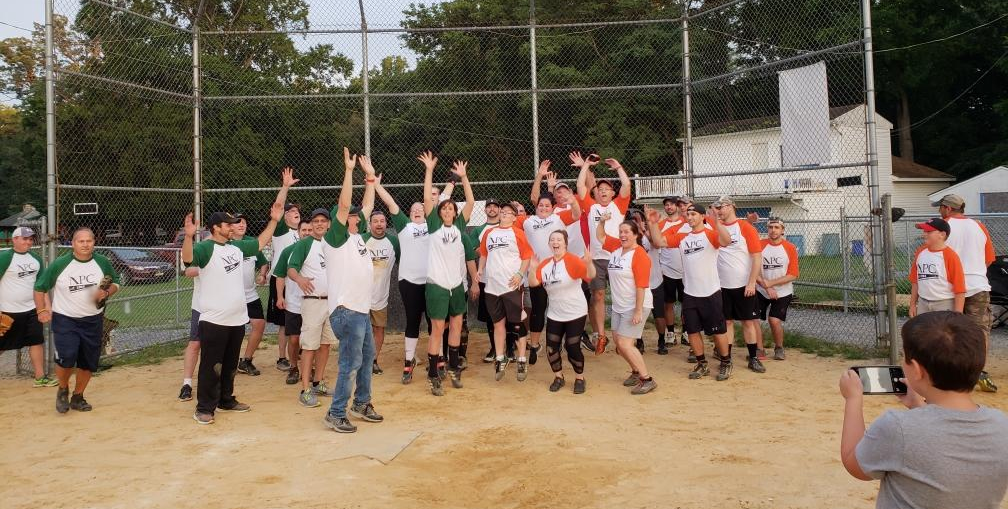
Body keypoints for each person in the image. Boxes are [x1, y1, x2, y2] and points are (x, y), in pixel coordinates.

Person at [838, 311, 1008, 509]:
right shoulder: (1001, 425)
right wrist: (918, 405)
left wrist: (853, 399)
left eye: (905, 357)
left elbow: (855, 463)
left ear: (917, 371)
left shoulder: (899, 428)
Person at [182, 200, 283, 425]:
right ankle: (204, 407)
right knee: (211, 366)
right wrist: (188, 237)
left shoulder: (236, 248)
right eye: (227, 225)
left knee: (229, 364)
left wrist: (274, 220)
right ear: (216, 227)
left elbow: (259, 243)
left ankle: (226, 399)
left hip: (237, 318)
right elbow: (187, 259)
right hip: (214, 319)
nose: (232, 227)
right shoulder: (206, 248)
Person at [322, 148, 384, 433]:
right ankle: (336, 412)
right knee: (351, 361)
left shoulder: (358, 237)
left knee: (366, 358)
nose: (358, 216)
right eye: (351, 215)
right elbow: (345, 205)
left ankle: (361, 402)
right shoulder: (336, 238)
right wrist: (349, 171)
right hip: (346, 310)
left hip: (361, 309)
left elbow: (365, 207)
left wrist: (370, 179)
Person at [34, 227, 120, 413]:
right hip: (66, 319)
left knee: (88, 362)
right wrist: (41, 309)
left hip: (93, 320)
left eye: (89, 241)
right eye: (81, 241)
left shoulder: (102, 262)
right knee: (66, 357)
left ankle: (78, 396)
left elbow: (116, 282)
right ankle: (63, 389)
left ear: (94, 243)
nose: (85, 244)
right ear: (73, 243)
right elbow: (40, 287)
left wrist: (106, 291)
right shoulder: (61, 264)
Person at [647, 203, 734, 381]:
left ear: (702, 216)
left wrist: (716, 222)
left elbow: (726, 241)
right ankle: (702, 364)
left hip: (710, 292)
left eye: (694, 214)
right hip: (691, 293)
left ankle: (726, 361)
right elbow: (659, 242)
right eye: (688, 214)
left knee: (718, 331)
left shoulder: (710, 234)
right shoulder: (682, 237)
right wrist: (653, 223)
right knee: (693, 331)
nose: (690, 217)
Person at [420, 150, 476, 396]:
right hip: (437, 285)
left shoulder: (460, 228)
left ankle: (453, 368)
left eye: (451, 209)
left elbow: (471, 203)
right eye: (444, 208)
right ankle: (434, 373)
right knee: (437, 328)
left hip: (456, 285)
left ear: (455, 212)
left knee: (456, 326)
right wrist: (429, 170)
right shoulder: (433, 226)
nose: (447, 211)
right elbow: (427, 199)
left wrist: (463, 177)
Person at [932, 193, 998, 392]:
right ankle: (977, 371)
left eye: (941, 207)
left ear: (948, 209)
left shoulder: (943, 228)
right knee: (979, 331)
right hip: (978, 285)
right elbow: (988, 259)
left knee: (948, 330)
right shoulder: (979, 226)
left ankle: (947, 372)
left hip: (951, 288)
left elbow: (937, 257)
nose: (940, 211)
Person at [523, 161, 582, 364]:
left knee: (561, 305)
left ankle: (567, 342)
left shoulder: (559, 218)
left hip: (559, 270)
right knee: (539, 309)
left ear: (552, 207)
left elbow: (577, 214)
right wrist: (539, 175)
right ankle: (534, 345)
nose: (544, 207)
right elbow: (532, 198)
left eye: (547, 205)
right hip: (539, 271)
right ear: (537, 207)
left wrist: (572, 200)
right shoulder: (528, 220)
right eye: (541, 205)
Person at [373, 180, 430, 384]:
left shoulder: (433, 225)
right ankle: (408, 361)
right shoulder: (404, 226)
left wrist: (452, 182)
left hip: (432, 282)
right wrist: (376, 184)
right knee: (413, 321)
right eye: (413, 209)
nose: (417, 211)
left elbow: (437, 202)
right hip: (410, 282)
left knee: (435, 322)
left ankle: (437, 358)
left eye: (420, 209)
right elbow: (390, 203)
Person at [575, 151, 632, 353]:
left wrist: (618, 168)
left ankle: (626, 334)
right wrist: (586, 166)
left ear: (612, 193)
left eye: (607, 189)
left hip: (618, 256)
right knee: (597, 295)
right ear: (596, 193)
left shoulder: (619, 205)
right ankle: (601, 335)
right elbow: (581, 186)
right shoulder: (590, 206)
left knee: (622, 295)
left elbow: (626, 185)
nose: (603, 192)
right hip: (597, 258)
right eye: (600, 189)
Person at [528, 231, 596, 394]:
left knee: (571, 346)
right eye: (552, 240)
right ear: (549, 244)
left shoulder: (572, 260)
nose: (555, 242)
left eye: (559, 239)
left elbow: (590, 275)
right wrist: (533, 269)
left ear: (565, 243)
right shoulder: (545, 264)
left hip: (575, 312)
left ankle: (580, 378)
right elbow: (534, 283)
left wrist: (589, 263)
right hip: (555, 313)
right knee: (552, 348)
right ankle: (559, 377)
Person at [595, 213, 656, 394]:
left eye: (627, 232)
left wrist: (638, 311)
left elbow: (641, 286)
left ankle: (647, 379)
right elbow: (600, 237)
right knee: (618, 342)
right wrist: (602, 222)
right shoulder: (617, 248)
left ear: (636, 234)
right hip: (619, 305)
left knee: (625, 343)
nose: (623, 235)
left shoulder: (640, 255)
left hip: (636, 304)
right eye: (621, 231)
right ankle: (636, 371)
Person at [285, 209, 338, 408]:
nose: (319, 224)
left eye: (323, 221)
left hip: (331, 302)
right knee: (309, 346)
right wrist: (299, 278)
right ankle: (305, 388)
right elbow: (291, 268)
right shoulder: (304, 244)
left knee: (326, 344)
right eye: (315, 221)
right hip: (313, 301)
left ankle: (318, 382)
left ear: (329, 224)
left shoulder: (334, 243)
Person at [479, 202, 534, 382]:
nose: (503, 214)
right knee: (498, 324)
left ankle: (521, 359)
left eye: (508, 212)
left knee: (517, 324)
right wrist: (480, 269)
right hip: (492, 287)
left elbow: (526, 256)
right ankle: (501, 358)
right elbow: (484, 254)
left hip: (511, 286)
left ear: (513, 217)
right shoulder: (489, 233)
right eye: (502, 212)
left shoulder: (517, 233)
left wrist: (520, 274)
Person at [712, 195, 766, 373]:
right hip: (722, 285)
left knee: (748, 322)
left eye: (722, 207)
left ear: (732, 207)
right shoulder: (715, 227)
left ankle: (753, 357)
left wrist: (751, 282)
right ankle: (726, 358)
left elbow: (757, 257)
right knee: (726, 322)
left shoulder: (745, 227)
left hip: (743, 284)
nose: (719, 210)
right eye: (717, 207)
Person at [0, 227, 55, 387]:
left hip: (32, 309)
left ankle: (40, 377)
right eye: (24, 238)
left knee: (36, 341)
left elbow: (41, 286)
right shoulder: (5, 257)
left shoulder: (36, 259)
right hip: (7, 311)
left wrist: (46, 307)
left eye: (30, 239)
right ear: (14, 239)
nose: (28, 242)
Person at [360, 185, 401, 376]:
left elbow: (405, 260)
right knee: (360, 330)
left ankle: (373, 360)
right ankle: (360, 361)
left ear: (386, 224)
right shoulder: (361, 240)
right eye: (375, 221)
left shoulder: (393, 242)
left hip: (381, 297)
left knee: (378, 329)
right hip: (360, 297)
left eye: (382, 221)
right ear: (369, 224)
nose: (379, 224)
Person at [266, 174, 301, 373]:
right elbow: (278, 207)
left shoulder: (303, 232)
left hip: (299, 282)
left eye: (297, 211)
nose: (295, 212)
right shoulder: (281, 230)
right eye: (292, 211)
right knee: (283, 323)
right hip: (282, 280)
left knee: (299, 319)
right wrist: (285, 187)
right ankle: (282, 358)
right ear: (285, 216)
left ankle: (299, 354)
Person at [274, 219, 314, 386]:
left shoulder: (320, 248)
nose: (306, 232)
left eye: (309, 230)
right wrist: (280, 297)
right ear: (298, 232)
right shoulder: (288, 251)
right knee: (294, 339)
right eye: (303, 230)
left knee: (311, 340)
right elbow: (280, 275)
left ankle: (310, 367)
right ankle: (293, 367)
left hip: (313, 302)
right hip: (294, 303)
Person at [755, 217, 800, 361]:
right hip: (761, 289)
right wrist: (766, 286)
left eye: (776, 227)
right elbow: (753, 269)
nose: (773, 230)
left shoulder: (790, 247)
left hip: (782, 291)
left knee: (774, 320)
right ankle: (759, 349)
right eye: (770, 227)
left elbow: (793, 274)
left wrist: (771, 284)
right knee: (754, 319)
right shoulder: (760, 245)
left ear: (782, 230)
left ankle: (779, 347)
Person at [232, 213, 270, 376]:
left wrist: (262, 275)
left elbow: (263, 262)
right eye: (237, 222)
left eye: (244, 222)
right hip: (231, 296)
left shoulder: (252, 243)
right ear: (230, 226)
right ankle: (228, 362)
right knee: (234, 330)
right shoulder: (226, 244)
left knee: (259, 324)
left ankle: (246, 360)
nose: (242, 224)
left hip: (250, 294)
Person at [627, 209, 666, 355]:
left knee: (659, 315)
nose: (636, 223)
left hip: (655, 282)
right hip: (637, 285)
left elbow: (655, 244)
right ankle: (639, 341)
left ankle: (662, 341)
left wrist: (643, 229)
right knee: (637, 315)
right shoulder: (629, 240)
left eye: (638, 220)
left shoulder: (650, 235)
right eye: (633, 221)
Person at [470, 197, 505, 362]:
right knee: (492, 316)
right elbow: (475, 250)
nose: (492, 209)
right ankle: (494, 348)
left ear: (499, 210)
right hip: (487, 279)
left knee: (510, 314)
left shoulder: (506, 227)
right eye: (489, 206)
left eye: (495, 206)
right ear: (484, 210)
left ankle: (510, 349)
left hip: (506, 278)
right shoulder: (479, 230)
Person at [909, 218, 965, 316]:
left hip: (944, 303)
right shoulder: (920, 252)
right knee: (923, 331)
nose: (924, 234)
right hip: (923, 303)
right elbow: (915, 281)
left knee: (942, 331)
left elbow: (959, 289)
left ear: (942, 235)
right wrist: (912, 305)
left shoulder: (950, 256)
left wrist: (958, 314)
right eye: (924, 231)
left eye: (929, 231)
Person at [657, 196, 688, 353]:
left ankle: (686, 332)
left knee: (686, 304)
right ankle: (670, 333)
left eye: (672, 204)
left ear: (678, 207)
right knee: (667, 304)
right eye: (666, 205)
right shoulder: (661, 225)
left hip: (685, 271)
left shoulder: (686, 222)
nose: (669, 207)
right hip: (667, 270)